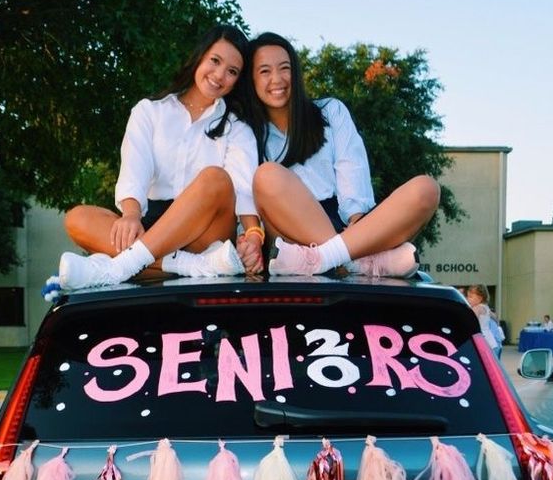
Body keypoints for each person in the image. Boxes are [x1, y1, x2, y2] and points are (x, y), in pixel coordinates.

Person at [45, 25, 263, 296]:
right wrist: (131, 214)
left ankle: (122, 266)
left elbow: (242, 191)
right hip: (153, 226)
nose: (219, 75)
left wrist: (253, 235)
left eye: (232, 71)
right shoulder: (150, 111)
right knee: (77, 218)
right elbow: (135, 170)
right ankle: (193, 267)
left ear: (237, 81)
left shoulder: (236, 128)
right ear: (199, 57)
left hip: (206, 233)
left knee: (214, 178)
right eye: (215, 61)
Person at [237, 31, 440, 278]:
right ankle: (358, 262)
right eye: (265, 71)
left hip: (347, 224)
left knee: (426, 189)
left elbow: (351, 169)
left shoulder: (330, 111)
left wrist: (357, 222)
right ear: (252, 80)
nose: (277, 79)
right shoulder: (246, 131)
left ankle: (331, 258)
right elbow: (244, 194)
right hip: (290, 234)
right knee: (267, 176)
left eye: (284, 68)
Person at [466, 284, 503, 357]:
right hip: (490, 339)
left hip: (481, 338)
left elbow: (470, 321)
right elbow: (495, 318)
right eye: (467, 296)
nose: (468, 299)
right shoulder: (486, 308)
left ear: (479, 298)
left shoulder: (477, 308)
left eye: (470, 297)